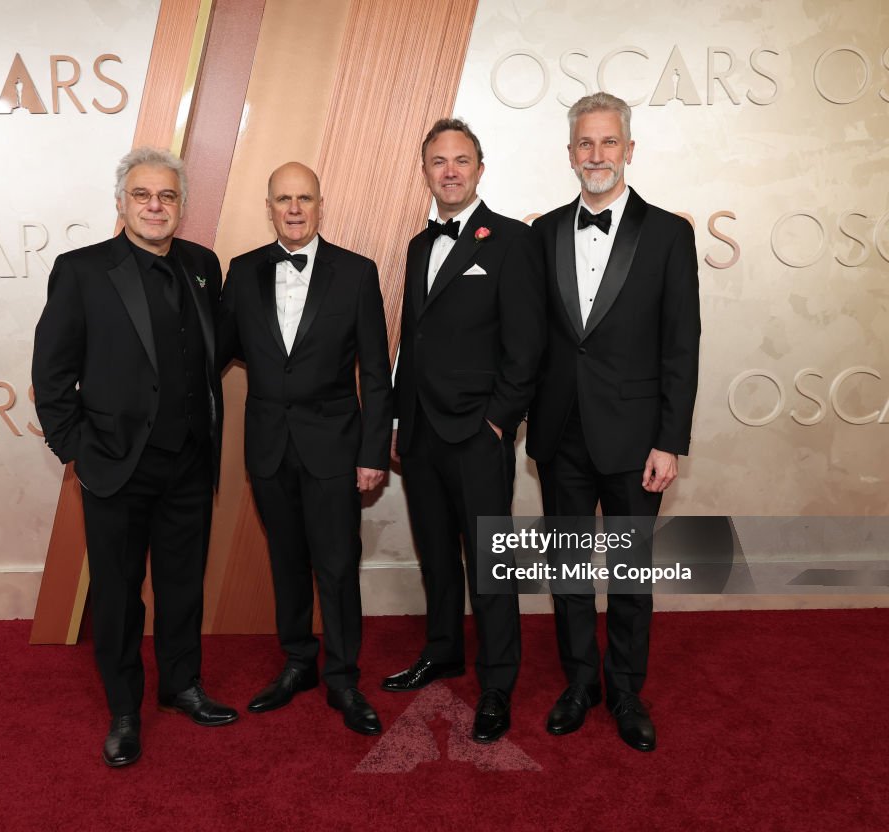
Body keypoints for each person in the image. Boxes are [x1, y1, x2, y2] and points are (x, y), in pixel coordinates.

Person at [32, 147, 236, 768]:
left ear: (180, 206)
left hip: (190, 462)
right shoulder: (82, 271)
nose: (155, 206)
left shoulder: (203, 264)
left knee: (182, 586)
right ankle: (125, 708)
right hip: (116, 465)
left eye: (167, 196)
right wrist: (78, 452)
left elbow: (213, 353)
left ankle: (182, 686)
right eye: (143, 195)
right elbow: (52, 372)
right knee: (119, 594)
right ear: (121, 202)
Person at [526, 93, 701, 752]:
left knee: (629, 576)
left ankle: (626, 690)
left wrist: (670, 440)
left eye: (608, 143)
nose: (596, 156)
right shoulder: (541, 233)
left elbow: (682, 344)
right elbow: (529, 338)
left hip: (636, 440)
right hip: (560, 433)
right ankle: (580, 684)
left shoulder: (668, 234)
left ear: (629, 149)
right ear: (570, 153)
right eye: (584, 144)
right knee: (569, 571)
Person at [383, 118, 546, 743]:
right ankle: (444, 650)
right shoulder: (420, 245)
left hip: (479, 432)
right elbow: (412, 342)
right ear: (425, 171)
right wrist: (399, 419)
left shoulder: (510, 240)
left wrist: (499, 422)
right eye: (437, 162)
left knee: (490, 567)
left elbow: (526, 345)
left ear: (480, 169)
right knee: (437, 559)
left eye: (461, 160)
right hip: (421, 432)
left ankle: (497, 682)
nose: (449, 171)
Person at [219, 162, 392, 736]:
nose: (294, 209)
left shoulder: (357, 272)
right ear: (269, 207)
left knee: (338, 566)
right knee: (286, 561)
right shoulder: (241, 272)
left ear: (321, 204)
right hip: (268, 446)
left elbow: (377, 372)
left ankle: (343, 677)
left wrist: (372, 452)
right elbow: (214, 354)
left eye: (305, 198)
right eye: (283, 199)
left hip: (336, 446)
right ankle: (299, 661)